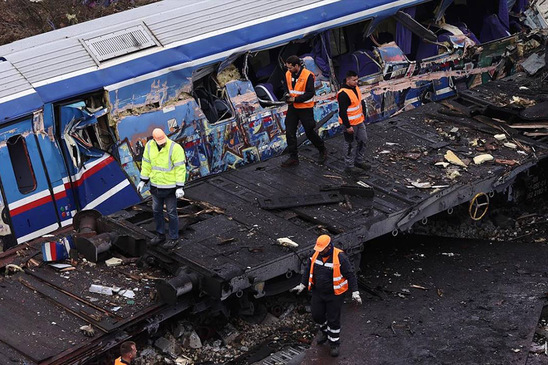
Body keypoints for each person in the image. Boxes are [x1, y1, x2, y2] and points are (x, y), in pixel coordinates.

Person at [290, 234, 362, 357]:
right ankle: (325, 331)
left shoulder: (340, 257)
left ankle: (334, 343)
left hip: (335, 294)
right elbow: (308, 269)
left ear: (329, 247)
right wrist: (302, 284)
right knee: (317, 315)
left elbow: (350, 275)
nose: (319, 251)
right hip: (318, 292)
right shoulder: (315, 254)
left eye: (321, 249)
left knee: (333, 319)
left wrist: (355, 292)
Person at [137, 128, 187, 249]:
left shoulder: (175, 148)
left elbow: (180, 169)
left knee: (171, 213)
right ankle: (160, 235)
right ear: (154, 139)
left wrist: (180, 187)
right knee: (156, 211)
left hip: (170, 188)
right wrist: (143, 180)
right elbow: (146, 164)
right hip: (156, 186)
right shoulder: (149, 146)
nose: (162, 143)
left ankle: (174, 238)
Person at [281, 55, 327, 167]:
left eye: (290, 67)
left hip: (305, 108)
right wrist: (287, 96)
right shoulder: (288, 74)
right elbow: (288, 88)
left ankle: (322, 150)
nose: (289, 70)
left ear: (297, 65)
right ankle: (293, 157)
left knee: (309, 131)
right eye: (288, 68)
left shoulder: (308, 76)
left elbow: (310, 93)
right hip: (293, 107)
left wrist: (295, 99)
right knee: (290, 131)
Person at [337, 70, 370, 175]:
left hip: (359, 121)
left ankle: (358, 161)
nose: (356, 82)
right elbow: (342, 112)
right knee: (350, 144)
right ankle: (349, 166)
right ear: (348, 80)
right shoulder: (343, 94)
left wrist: (363, 115)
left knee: (363, 140)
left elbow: (359, 103)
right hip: (350, 123)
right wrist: (347, 126)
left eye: (357, 79)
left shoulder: (355, 88)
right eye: (354, 80)